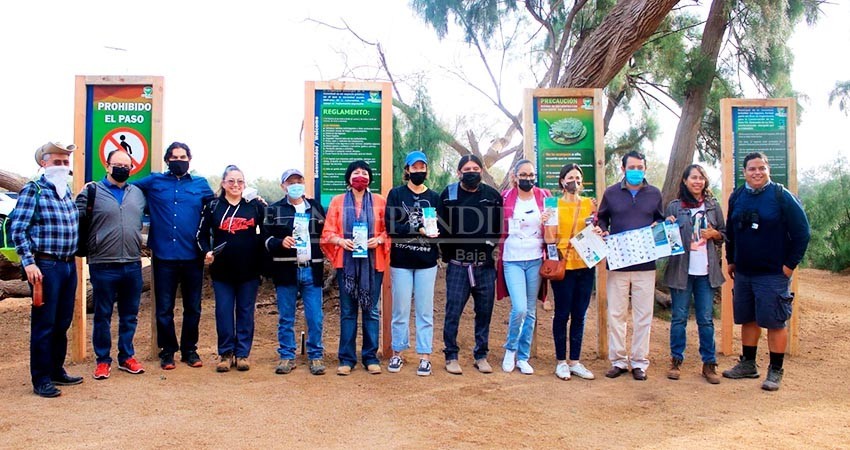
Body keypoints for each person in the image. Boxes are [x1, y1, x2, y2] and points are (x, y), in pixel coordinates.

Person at [722, 152, 810, 391]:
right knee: (748, 319)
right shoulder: (738, 196)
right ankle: (748, 364)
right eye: (752, 169)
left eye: (761, 168)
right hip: (744, 273)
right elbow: (731, 231)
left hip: (773, 274)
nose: (757, 173)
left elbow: (803, 233)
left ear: (768, 170)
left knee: (774, 322)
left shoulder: (781, 196)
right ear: (744, 173)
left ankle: (775, 370)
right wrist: (731, 259)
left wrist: (789, 265)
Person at [10, 141, 82, 397]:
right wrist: (28, 261)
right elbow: (18, 227)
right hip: (45, 265)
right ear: (44, 163)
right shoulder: (34, 190)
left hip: (67, 264)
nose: (63, 166)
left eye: (65, 162)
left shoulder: (66, 193)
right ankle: (40, 377)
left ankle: (55, 369)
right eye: (57, 161)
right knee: (45, 323)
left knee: (62, 320)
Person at [134, 142, 214, 370]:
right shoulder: (154, 181)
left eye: (183, 156)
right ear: (167, 160)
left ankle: (190, 350)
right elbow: (125, 187)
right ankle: (167, 351)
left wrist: (252, 200)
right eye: (174, 157)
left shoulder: (201, 185)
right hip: (163, 255)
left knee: (193, 307)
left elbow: (217, 207)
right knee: (164, 308)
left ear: (190, 159)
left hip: (192, 255)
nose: (179, 160)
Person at [77, 150, 147, 380]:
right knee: (103, 315)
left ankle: (126, 356)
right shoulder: (92, 191)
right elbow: (75, 218)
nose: (122, 168)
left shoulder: (138, 193)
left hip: (132, 263)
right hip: (103, 264)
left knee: (129, 315)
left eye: (126, 165)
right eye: (117, 164)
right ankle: (102, 360)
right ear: (107, 166)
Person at [597, 150, 664, 381]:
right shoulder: (611, 193)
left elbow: (661, 219)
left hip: (646, 264)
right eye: (632, 167)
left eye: (640, 167)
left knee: (643, 315)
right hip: (618, 263)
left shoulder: (654, 193)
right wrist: (603, 230)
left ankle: (639, 362)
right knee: (616, 314)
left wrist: (661, 224)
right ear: (623, 168)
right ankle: (618, 361)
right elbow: (602, 218)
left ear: (645, 169)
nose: (636, 171)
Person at [321, 160, 389, 376]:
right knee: (348, 311)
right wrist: (341, 242)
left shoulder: (380, 201)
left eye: (364, 172)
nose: (360, 176)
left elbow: (389, 231)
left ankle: (370, 356)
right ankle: (347, 358)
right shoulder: (338, 201)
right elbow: (327, 232)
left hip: (372, 263)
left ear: (370, 178)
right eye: (356, 172)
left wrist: (378, 240)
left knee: (371, 310)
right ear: (348, 177)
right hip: (347, 264)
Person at [438, 155, 503, 375]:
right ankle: (451, 355)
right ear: (459, 172)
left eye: (475, 168)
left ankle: (481, 355)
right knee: (453, 311)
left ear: (482, 171)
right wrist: (448, 253)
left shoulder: (492, 196)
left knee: (484, 311)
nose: (471, 171)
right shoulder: (448, 194)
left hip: (484, 265)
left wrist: (488, 247)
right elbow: (440, 225)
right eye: (467, 168)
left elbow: (497, 227)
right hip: (457, 265)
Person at [197, 165, 265, 372]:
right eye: (231, 181)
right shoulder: (213, 206)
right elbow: (200, 235)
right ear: (223, 183)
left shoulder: (255, 206)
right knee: (224, 312)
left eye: (240, 181)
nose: (236, 185)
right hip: (222, 272)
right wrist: (206, 252)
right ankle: (225, 353)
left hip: (249, 270)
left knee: (245, 312)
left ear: (245, 184)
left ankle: (242, 354)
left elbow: (267, 233)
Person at [662, 164, 726, 384]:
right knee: (679, 318)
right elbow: (664, 239)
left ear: (705, 182)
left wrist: (715, 233)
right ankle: (676, 360)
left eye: (701, 178)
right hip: (681, 270)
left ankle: (709, 364)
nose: (697, 182)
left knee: (705, 320)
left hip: (706, 272)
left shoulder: (712, 205)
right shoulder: (674, 207)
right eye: (693, 178)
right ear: (685, 181)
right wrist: (666, 226)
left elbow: (724, 234)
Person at [264, 168, 327, 376]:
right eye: (290, 182)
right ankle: (287, 355)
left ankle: (316, 355)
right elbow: (264, 240)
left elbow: (326, 232)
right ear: (283, 186)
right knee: (286, 317)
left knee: (315, 317)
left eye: (298, 180)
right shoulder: (274, 210)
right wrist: (279, 242)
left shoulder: (316, 208)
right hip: (286, 270)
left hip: (312, 269)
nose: (295, 185)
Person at [385, 151, 441, 376]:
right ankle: (397, 353)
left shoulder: (435, 197)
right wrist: (416, 229)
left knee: (425, 311)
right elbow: (391, 227)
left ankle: (425, 356)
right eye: (414, 168)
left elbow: (444, 227)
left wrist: (437, 232)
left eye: (422, 167)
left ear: (427, 169)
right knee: (400, 309)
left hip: (427, 261)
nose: (419, 171)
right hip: (401, 261)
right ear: (407, 170)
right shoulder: (396, 194)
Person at [496, 159, 550, 375]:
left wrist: (548, 219)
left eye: (531, 175)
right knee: (519, 308)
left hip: (535, 257)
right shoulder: (506, 198)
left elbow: (555, 223)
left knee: (530, 310)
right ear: (515, 176)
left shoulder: (544, 197)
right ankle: (510, 349)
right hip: (512, 258)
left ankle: (523, 356)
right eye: (523, 175)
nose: (528, 178)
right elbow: (498, 224)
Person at [544, 163, 598, 381]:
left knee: (580, 314)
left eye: (577, 177)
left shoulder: (590, 204)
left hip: (586, 265)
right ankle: (561, 362)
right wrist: (547, 222)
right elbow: (549, 239)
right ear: (561, 181)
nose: (573, 181)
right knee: (562, 313)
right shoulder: (553, 205)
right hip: (563, 266)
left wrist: (597, 230)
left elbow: (597, 229)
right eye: (569, 177)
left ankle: (575, 361)